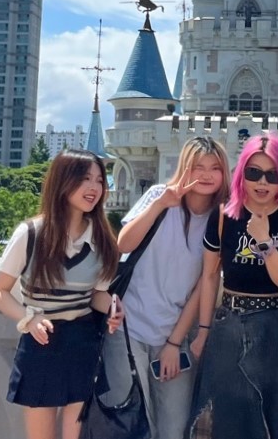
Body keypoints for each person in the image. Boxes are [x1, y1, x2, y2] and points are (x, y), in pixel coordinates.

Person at [0, 150, 125, 439]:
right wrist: (29, 319)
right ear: (63, 180)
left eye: (99, 180)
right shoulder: (31, 234)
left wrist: (113, 307)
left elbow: (95, 295)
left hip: (83, 342)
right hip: (42, 342)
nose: (94, 188)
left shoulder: (102, 239)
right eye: (85, 178)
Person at [103, 136, 229, 439]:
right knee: (129, 422)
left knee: (174, 427)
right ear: (184, 168)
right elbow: (124, 243)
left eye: (214, 168)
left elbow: (205, 283)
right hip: (127, 329)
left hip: (174, 333)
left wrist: (173, 343)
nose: (206, 175)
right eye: (198, 166)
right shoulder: (159, 196)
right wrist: (160, 203)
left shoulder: (222, 218)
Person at [186, 133, 278, 439]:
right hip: (228, 326)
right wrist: (203, 330)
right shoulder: (224, 214)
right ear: (242, 173)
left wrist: (264, 241)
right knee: (225, 422)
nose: (262, 182)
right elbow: (210, 275)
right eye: (254, 173)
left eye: (272, 175)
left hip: (275, 330)